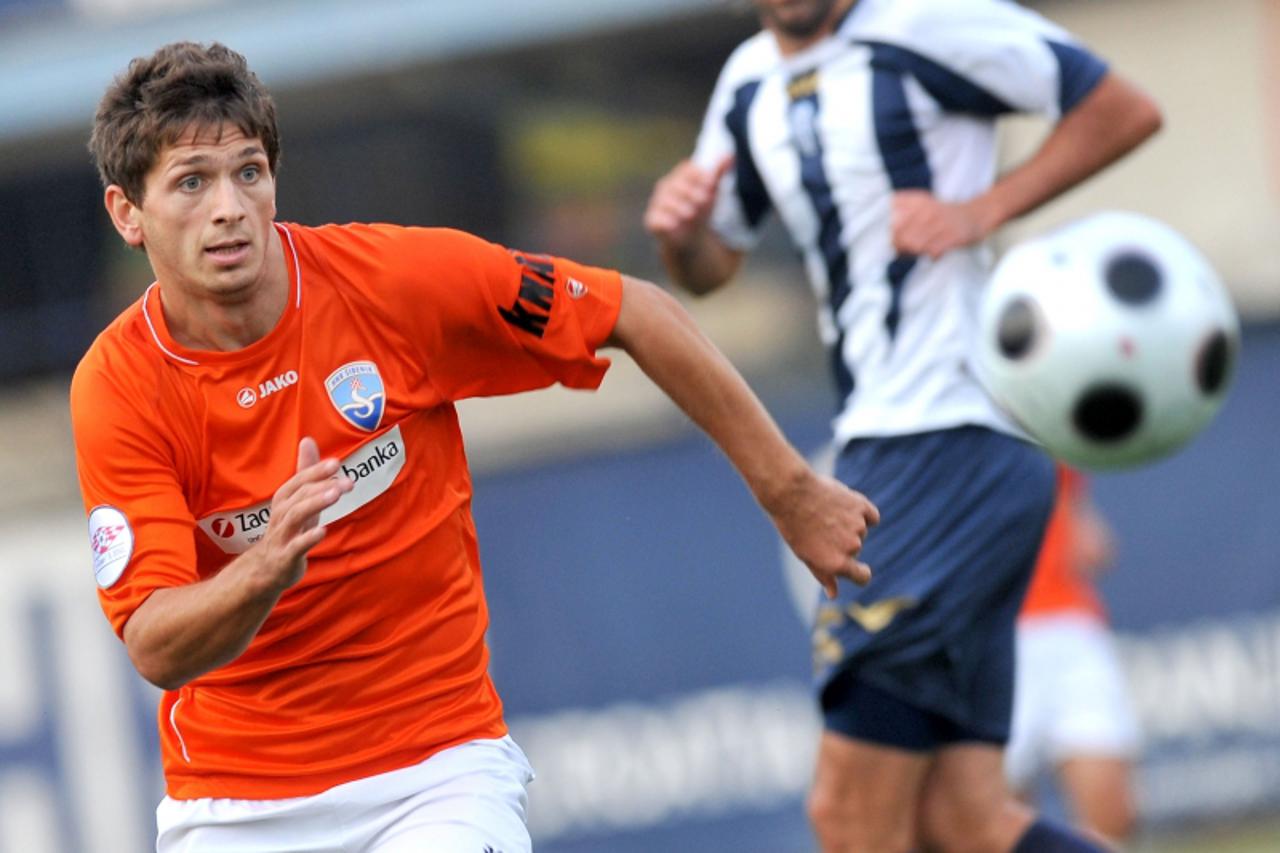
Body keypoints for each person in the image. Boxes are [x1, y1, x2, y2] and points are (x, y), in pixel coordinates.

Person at [70, 41, 881, 853]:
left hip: (436, 776)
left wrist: (790, 492)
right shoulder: (120, 387)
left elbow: (634, 311)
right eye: (191, 182)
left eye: (248, 172)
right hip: (237, 806)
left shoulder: (391, 283)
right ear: (126, 213)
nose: (229, 207)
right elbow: (155, 641)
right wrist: (262, 569)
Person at [644, 1, 1161, 850]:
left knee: (851, 817)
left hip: (947, 440)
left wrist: (982, 209)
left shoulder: (925, 23)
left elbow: (1120, 107)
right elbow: (707, 269)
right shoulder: (746, 81)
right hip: (895, 448)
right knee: (964, 820)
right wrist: (682, 232)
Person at [1007, 465, 1141, 847]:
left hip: (1071, 627)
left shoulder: (1048, 441)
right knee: (996, 816)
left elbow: (1079, 518)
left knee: (1112, 812)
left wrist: (1085, 536)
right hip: (992, 632)